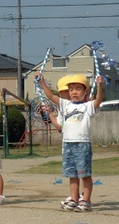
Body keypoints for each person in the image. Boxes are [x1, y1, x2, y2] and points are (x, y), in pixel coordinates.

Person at [36, 73, 103, 212]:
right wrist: (42, 82)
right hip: (68, 144)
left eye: (78, 89)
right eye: (71, 89)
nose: (74, 92)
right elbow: (51, 96)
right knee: (71, 174)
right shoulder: (65, 104)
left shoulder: (88, 106)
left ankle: (85, 201)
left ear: (85, 92)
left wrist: (100, 87)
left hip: (82, 144)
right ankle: (74, 199)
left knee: (84, 174)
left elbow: (98, 101)